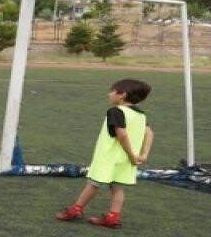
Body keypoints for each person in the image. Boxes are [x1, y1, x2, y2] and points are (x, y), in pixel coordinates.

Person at [56, 79, 155, 229]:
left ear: (122, 95)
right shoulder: (141, 115)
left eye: (112, 91)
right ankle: (112, 217)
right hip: (126, 160)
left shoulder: (116, 111)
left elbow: (121, 135)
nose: (109, 94)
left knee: (93, 184)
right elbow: (149, 133)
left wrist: (131, 155)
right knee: (117, 188)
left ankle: (75, 210)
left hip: (109, 157)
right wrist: (143, 154)